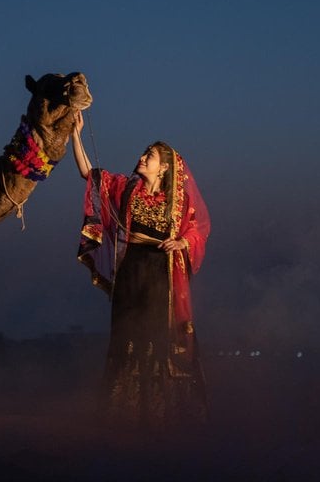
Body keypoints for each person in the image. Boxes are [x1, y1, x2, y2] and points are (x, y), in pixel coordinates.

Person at [71, 111, 211, 430]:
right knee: (127, 338)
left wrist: (183, 243)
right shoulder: (125, 188)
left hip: (160, 275)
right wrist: (75, 136)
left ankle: (160, 416)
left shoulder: (178, 200)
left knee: (156, 339)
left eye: (149, 156)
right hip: (131, 272)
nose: (141, 157)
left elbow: (200, 227)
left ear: (164, 167)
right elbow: (88, 174)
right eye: (144, 153)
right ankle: (122, 415)